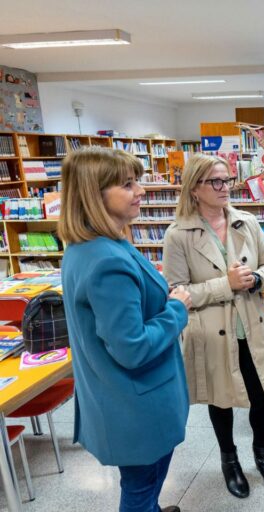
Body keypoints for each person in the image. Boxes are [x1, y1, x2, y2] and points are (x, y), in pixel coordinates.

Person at [59, 147, 191, 512]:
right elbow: (132, 348)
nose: (142, 191)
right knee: (140, 486)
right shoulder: (106, 261)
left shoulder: (89, 246)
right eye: (128, 184)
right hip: (136, 405)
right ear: (93, 194)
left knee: (142, 484)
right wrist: (178, 309)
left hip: (118, 396)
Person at [163, 154, 264, 498]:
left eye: (227, 180)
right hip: (213, 332)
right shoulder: (178, 235)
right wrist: (226, 285)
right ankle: (229, 460)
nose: (224, 188)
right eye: (215, 182)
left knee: (263, 394)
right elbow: (177, 293)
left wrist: (259, 278)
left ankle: (262, 454)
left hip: (254, 326)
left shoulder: (246, 222)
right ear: (195, 188)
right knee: (221, 399)